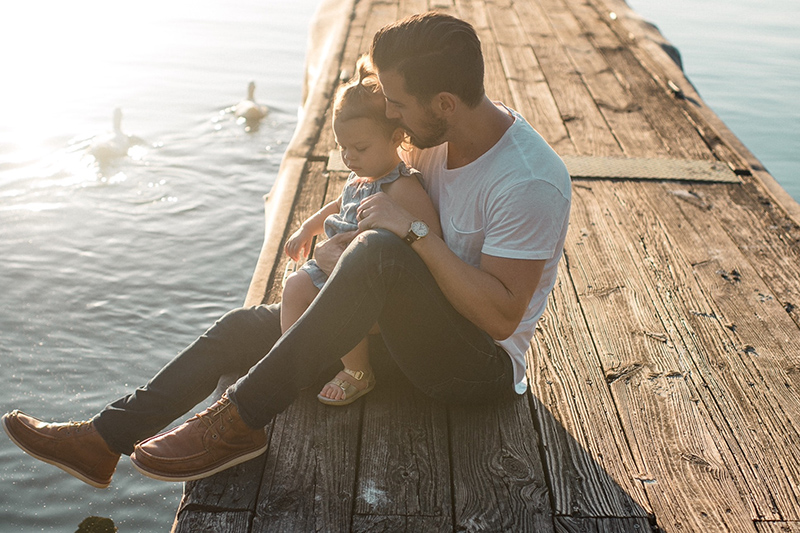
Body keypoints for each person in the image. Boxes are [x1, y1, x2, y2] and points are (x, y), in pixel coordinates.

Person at [1, 11, 570, 488]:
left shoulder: (527, 181)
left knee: (376, 252)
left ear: (444, 103)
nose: (389, 114)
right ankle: (103, 440)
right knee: (239, 329)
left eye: (397, 103)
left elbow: (499, 318)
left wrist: (409, 235)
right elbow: (377, 197)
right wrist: (330, 232)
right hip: (399, 334)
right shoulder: (431, 141)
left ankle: (241, 420)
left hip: (472, 368)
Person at [281, 56, 441, 405]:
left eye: (360, 148)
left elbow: (431, 237)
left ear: (397, 136)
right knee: (293, 286)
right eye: (342, 149)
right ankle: (295, 361)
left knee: (341, 303)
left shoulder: (401, 187)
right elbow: (339, 205)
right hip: (334, 263)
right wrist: (309, 227)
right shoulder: (360, 177)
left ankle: (358, 371)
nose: (349, 158)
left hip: (368, 283)